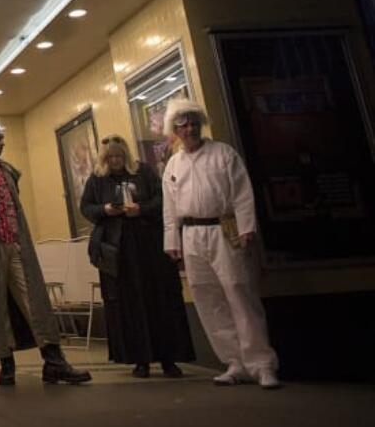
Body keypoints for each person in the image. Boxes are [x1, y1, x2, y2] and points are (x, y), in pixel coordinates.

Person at [0, 116, 91, 386]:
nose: (2, 142)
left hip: (16, 245)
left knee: (35, 300)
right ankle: (6, 365)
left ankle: (54, 362)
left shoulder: (6, 171)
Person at [161, 98, 281, 389]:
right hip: (191, 236)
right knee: (207, 298)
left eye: (193, 122)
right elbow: (170, 207)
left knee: (240, 292)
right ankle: (234, 362)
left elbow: (242, 193)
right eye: (182, 124)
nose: (189, 128)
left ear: (200, 124)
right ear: (174, 130)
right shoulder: (173, 164)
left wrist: (246, 227)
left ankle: (262, 364)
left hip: (224, 230)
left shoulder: (223, 154)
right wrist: (171, 240)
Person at [80, 134, 194, 378]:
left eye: (119, 157)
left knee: (160, 299)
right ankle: (139, 359)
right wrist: (105, 210)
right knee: (128, 303)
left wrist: (141, 209)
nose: (116, 162)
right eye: (111, 158)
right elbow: (86, 207)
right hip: (118, 251)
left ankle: (168, 358)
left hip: (149, 245)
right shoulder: (98, 179)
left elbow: (162, 200)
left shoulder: (144, 172)